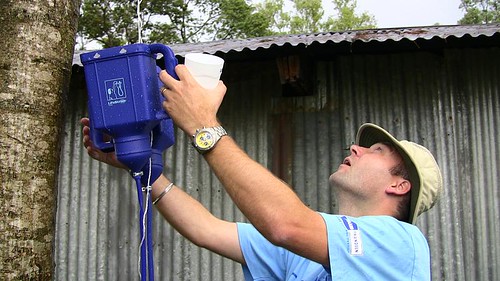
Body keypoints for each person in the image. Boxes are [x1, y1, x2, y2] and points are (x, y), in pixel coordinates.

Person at [81, 64, 443, 280]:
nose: (355, 148)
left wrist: (203, 125)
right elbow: (206, 230)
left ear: (400, 184)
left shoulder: (402, 243)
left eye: (375, 150)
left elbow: (285, 225)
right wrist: (144, 169)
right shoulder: (312, 249)